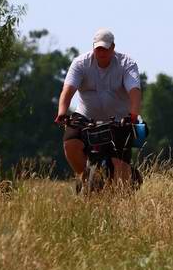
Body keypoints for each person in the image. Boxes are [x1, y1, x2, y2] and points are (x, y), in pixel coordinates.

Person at [55, 28, 141, 185]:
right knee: (70, 143)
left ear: (113, 48)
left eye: (105, 49)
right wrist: (62, 112)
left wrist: (134, 114)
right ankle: (89, 180)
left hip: (119, 119)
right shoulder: (80, 63)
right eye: (98, 49)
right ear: (93, 47)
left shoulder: (127, 64)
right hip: (85, 117)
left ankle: (127, 182)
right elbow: (67, 91)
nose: (101, 53)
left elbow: (134, 91)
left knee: (119, 169)